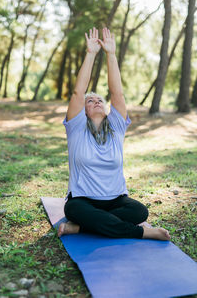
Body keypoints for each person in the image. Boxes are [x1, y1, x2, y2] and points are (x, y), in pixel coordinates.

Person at [58, 27, 170, 241]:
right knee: (74, 210)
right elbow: (77, 92)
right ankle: (142, 233)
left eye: (99, 99)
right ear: (83, 111)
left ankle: (81, 228)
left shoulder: (117, 126)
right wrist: (91, 54)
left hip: (116, 200)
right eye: (90, 101)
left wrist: (111, 54)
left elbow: (116, 92)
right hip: (82, 200)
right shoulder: (76, 128)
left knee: (139, 212)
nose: (96, 101)